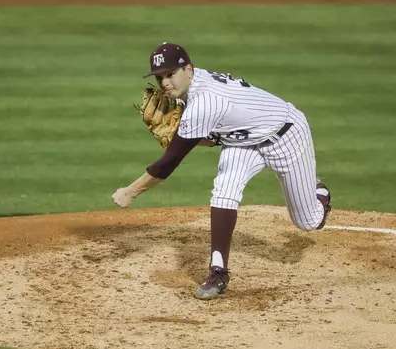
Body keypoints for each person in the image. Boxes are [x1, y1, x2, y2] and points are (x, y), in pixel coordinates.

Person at [112, 42, 331, 300]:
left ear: (188, 70)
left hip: (285, 135)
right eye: (160, 78)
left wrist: (131, 191)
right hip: (242, 141)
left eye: (170, 74)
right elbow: (216, 134)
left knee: (309, 222)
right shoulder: (193, 89)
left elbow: (169, 161)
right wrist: (186, 133)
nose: (165, 84)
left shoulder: (204, 101)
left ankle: (319, 192)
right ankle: (218, 273)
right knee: (223, 193)